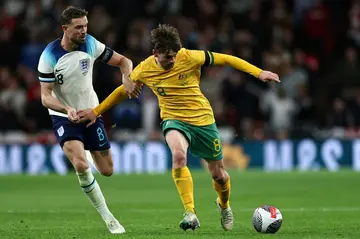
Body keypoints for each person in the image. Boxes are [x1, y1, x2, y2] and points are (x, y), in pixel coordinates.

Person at [77, 24, 280, 231]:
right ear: (156, 53)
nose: (173, 60)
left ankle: (224, 205)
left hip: (202, 119)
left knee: (219, 174)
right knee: (179, 156)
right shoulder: (145, 68)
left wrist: (259, 72)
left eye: (175, 55)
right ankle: (190, 213)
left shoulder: (190, 56)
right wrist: (96, 111)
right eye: (168, 57)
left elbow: (227, 59)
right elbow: (122, 91)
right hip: (173, 120)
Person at [37, 6, 139, 234]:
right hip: (65, 117)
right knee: (82, 165)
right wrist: (66, 109)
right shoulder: (49, 56)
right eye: (78, 27)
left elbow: (124, 61)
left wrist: (127, 78)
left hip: (92, 113)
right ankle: (109, 218)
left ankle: (85, 158)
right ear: (65, 28)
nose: (84, 31)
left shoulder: (91, 44)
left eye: (85, 26)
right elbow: (45, 96)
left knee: (107, 170)